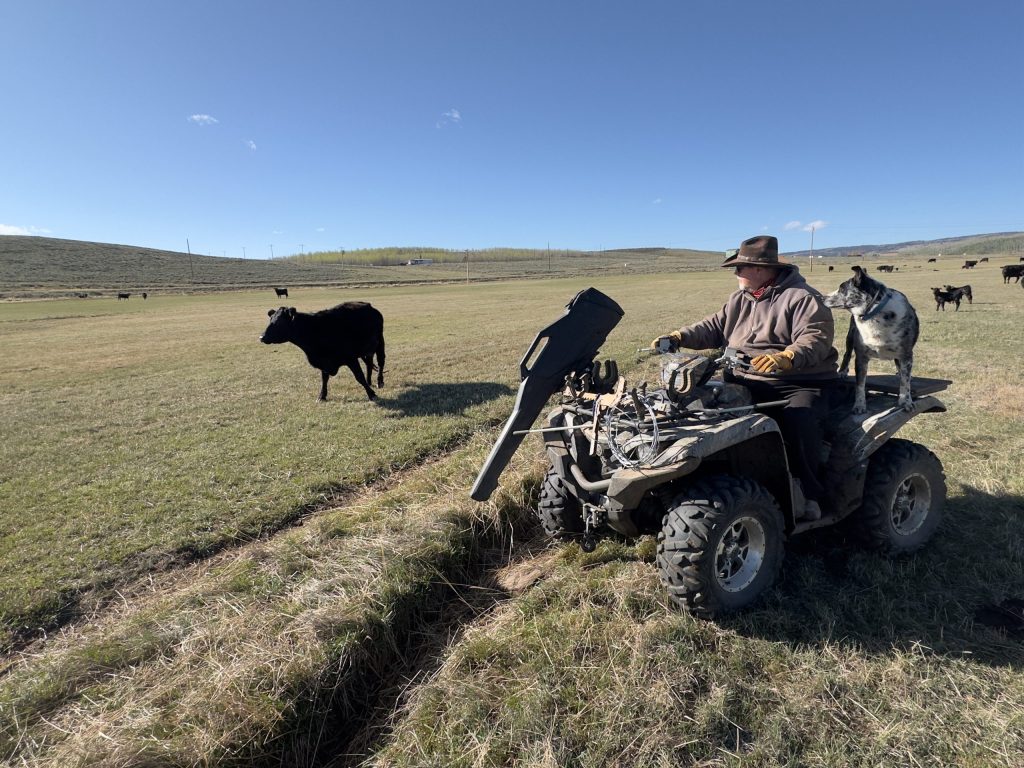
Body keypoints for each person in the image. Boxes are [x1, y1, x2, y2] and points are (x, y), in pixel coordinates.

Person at [652, 235, 839, 520]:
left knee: (801, 420)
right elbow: (713, 326)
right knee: (692, 410)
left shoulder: (802, 298)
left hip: (795, 382)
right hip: (743, 376)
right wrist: (679, 336)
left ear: (761, 269)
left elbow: (815, 337)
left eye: (740, 268)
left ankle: (809, 493)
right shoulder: (740, 299)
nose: (736, 274)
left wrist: (787, 357)